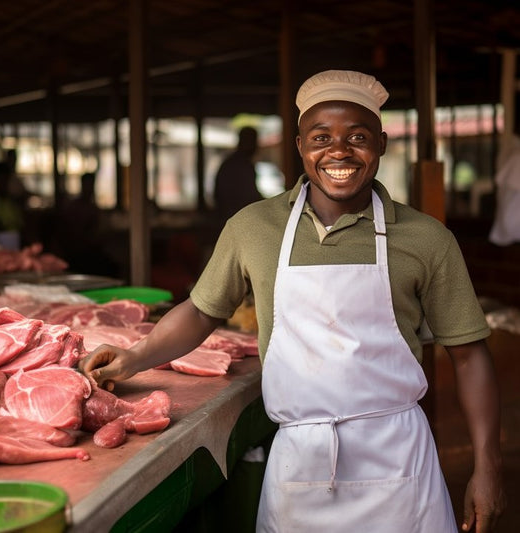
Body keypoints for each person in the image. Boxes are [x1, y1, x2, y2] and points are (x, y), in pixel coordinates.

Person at [79, 70, 506, 532]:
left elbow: (468, 357)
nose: (338, 151)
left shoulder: (425, 238)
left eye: (357, 137)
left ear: (381, 143)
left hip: (399, 462)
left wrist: (488, 466)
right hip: (299, 465)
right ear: (299, 146)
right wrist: (134, 358)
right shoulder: (254, 228)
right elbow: (203, 311)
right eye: (321, 137)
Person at [213, 126, 263, 226]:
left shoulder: (231, 163)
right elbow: (251, 198)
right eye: (253, 142)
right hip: (237, 221)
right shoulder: (241, 165)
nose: (256, 146)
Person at [0, 161, 24, 248]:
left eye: (4, 180)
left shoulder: (12, 204)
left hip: (13, 246)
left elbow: (20, 226)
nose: (1, 184)